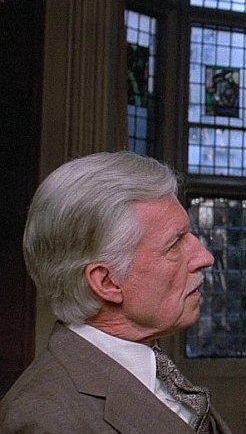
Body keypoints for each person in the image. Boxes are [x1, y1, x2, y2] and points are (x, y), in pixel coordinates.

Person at [0, 152, 232, 434]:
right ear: (107, 283)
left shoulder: (149, 366)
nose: (205, 257)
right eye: (175, 244)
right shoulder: (46, 421)